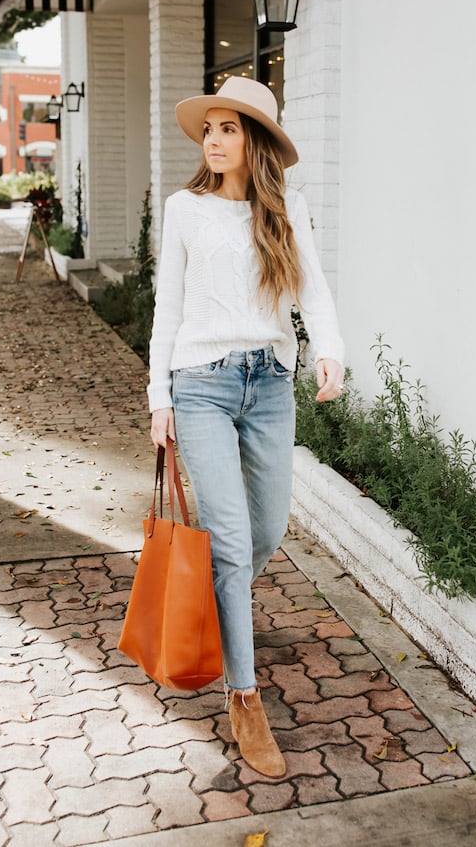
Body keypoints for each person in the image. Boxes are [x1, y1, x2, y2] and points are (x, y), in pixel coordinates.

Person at [148, 75, 344, 778]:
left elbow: (313, 287)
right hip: (200, 385)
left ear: (255, 140)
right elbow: (167, 307)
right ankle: (243, 695)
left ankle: (216, 604)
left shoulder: (285, 204)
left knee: (265, 530)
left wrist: (330, 351)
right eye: (210, 128)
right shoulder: (183, 208)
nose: (215, 139)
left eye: (229, 128)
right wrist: (158, 398)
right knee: (230, 542)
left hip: (268, 383)